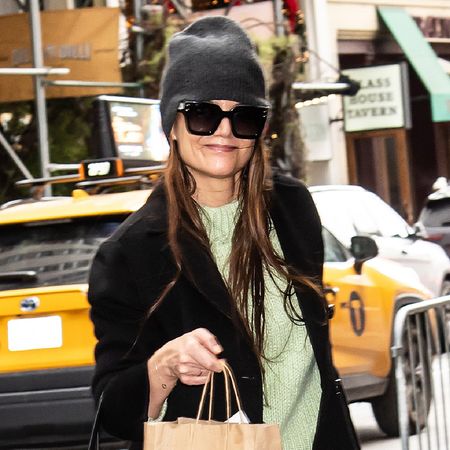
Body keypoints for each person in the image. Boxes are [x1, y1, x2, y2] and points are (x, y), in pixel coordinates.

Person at [88, 15, 360, 450]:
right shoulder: (130, 252)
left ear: (261, 129)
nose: (225, 132)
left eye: (245, 117)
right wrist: (163, 366)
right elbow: (113, 409)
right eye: (202, 114)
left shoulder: (293, 208)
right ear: (171, 127)